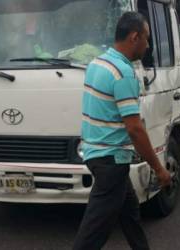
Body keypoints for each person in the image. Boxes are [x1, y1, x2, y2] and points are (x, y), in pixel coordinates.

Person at [72, 12, 171, 250]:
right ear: (134, 37)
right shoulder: (123, 72)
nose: (148, 46)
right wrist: (159, 169)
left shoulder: (98, 63)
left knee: (130, 213)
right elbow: (135, 129)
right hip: (110, 160)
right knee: (93, 233)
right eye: (146, 39)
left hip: (96, 153)